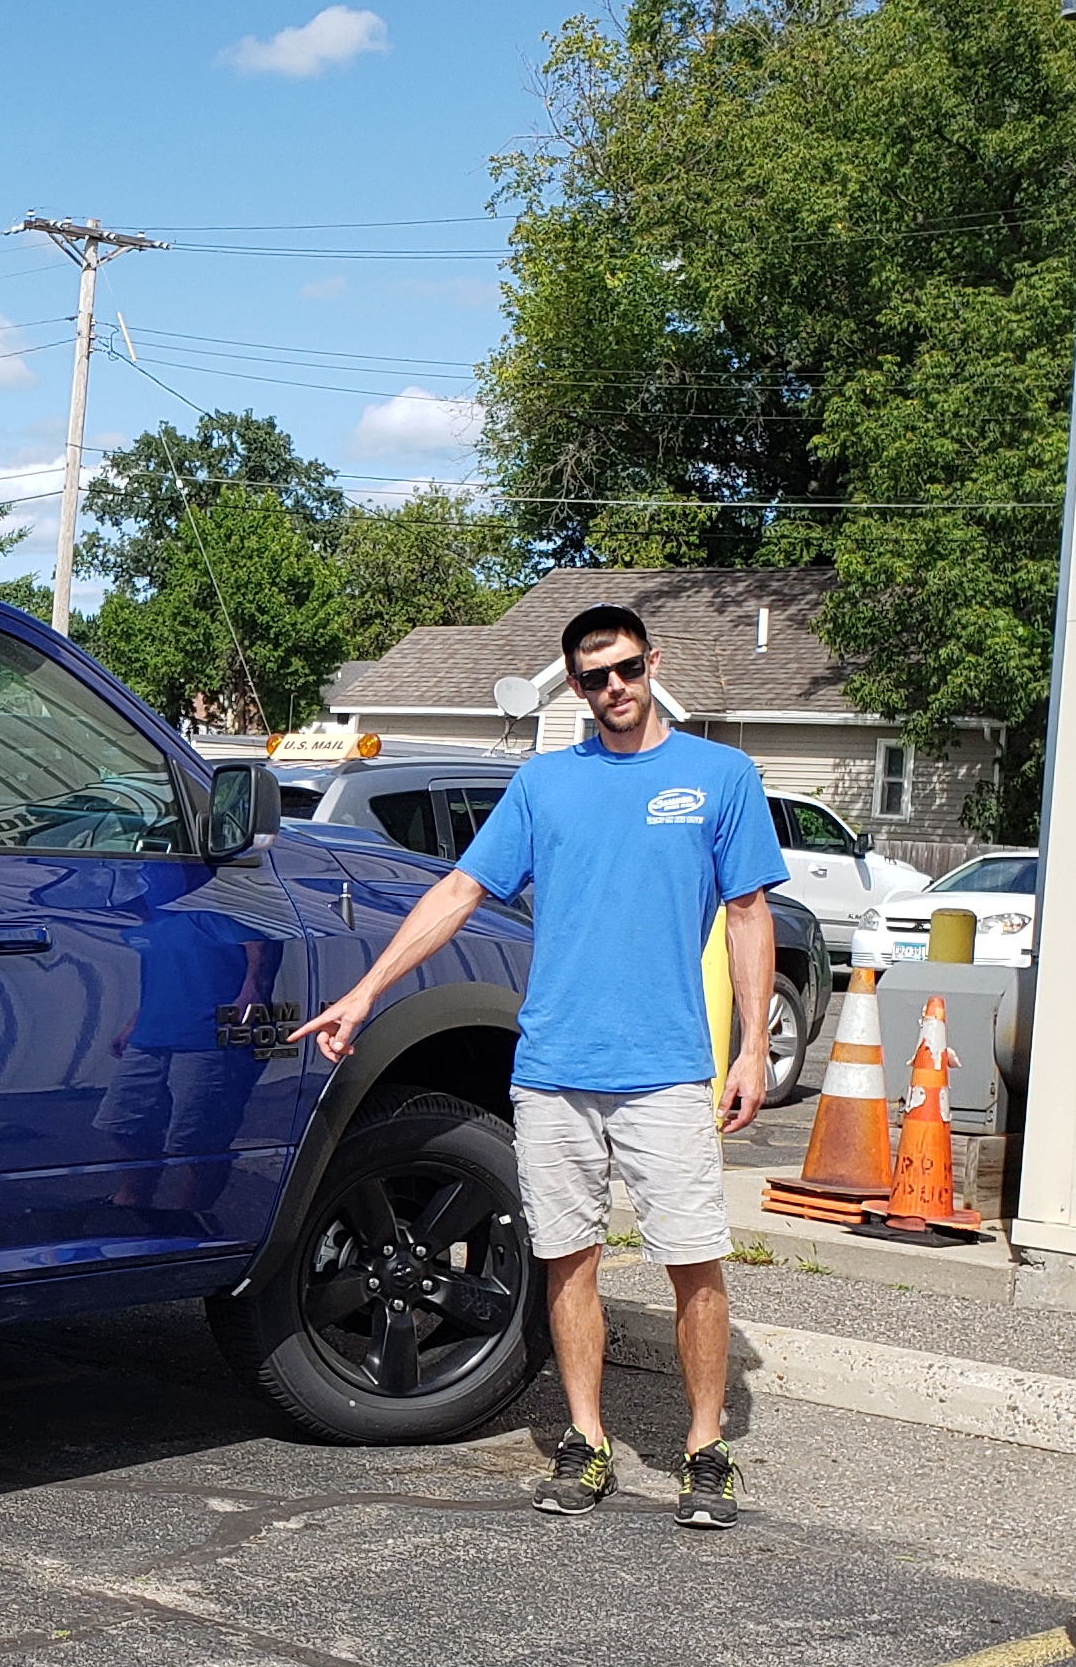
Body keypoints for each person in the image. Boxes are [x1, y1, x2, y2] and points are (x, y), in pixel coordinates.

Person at [284, 603, 784, 1527]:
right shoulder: (546, 784)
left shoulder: (719, 776)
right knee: (567, 1258)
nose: (613, 688)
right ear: (576, 687)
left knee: (693, 1262)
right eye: (593, 678)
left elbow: (749, 914)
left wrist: (752, 1047)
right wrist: (366, 992)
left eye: (626, 669)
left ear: (652, 663)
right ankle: (586, 1442)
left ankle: (706, 1448)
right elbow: (460, 891)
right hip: (553, 1069)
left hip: (668, 1069)